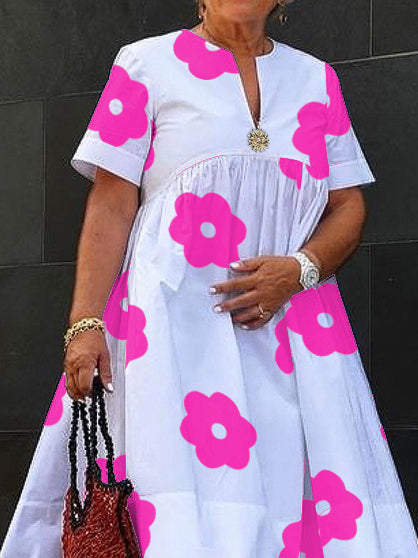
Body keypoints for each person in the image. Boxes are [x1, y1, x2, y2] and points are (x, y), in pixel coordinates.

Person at [1, 1, 418, 556]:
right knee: (180, 504)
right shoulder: (145, 65)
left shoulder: (317, 81)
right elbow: (111, 204)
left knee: (296, 495)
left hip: (298, 342)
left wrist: (300, 270)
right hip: (170, 339)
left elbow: (348, 206)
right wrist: (84, 323)